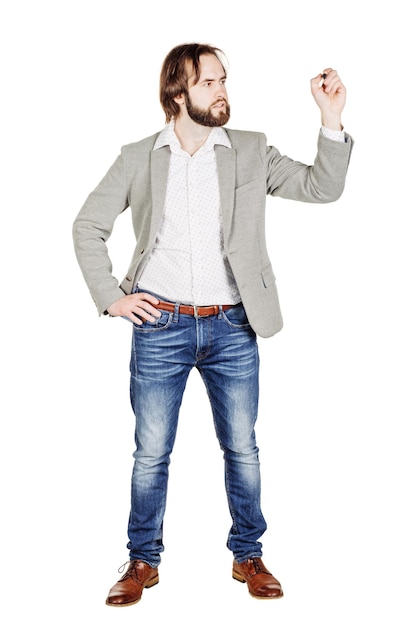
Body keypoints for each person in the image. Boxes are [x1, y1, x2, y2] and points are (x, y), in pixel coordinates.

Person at [73, 42, 353, 606]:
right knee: (150, 452)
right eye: (209, 83)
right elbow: (87, 226)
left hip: (232, 327)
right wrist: (111, 298)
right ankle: (141, 561)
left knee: (242, 448)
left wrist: (330, 120)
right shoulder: (138, 156)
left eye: (224, 79)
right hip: (160, 326)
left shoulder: (249, 150)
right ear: (177, 94)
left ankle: (248, 555)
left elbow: (323, 188)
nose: (222, 90)